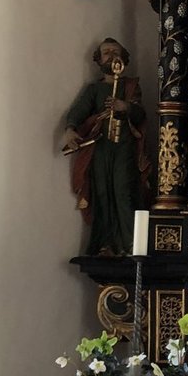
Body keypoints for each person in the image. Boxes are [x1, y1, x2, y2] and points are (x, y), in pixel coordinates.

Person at [60, 37, 147, 256]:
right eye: (106, 52)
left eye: (115, 52)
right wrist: (70, 128)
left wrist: (125, 107)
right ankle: (105, 243)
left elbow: (140, 114)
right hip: (100, 148)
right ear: (99, 60)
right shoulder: (95, 89)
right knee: (102, 192)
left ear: (123, 58)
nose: (111, 56)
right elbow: (79, 111)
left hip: (123, 148)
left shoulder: (130, 86)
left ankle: (130, 243)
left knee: (123, 190)